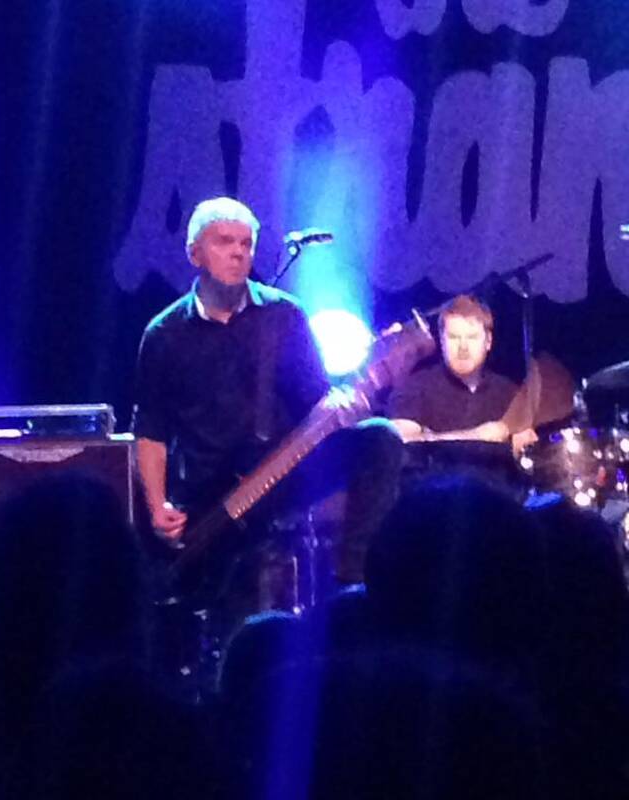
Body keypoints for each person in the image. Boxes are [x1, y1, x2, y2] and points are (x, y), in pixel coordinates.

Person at [133, 197, 403, 608]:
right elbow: (150, 430)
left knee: (379, 438)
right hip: (211, 495)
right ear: (195, 254)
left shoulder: (284, 315)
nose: (238, 252)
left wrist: (348, 408)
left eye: (246, 243)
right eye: (224, 241)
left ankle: (353, 582)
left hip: (284, 474)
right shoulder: (164, 333)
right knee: (227, 607)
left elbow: (318, 401)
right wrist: (157, 508)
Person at [388, 294, 537, 455]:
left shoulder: (510, 394)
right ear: (441, 341)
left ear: (488, 342)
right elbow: (401, 443)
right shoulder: (414, 388)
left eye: (472, 337)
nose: (463, 347)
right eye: (454, 337)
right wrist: (477, 436)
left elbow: (530, 451)